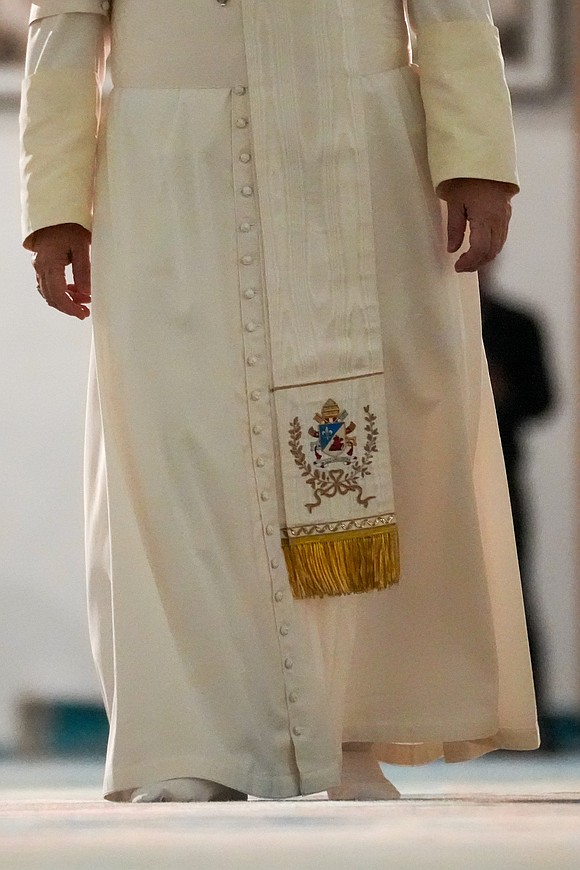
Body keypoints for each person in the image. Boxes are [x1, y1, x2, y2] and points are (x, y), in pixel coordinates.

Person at [19, 0, 539, 803]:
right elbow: (63, 23)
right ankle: (191, 742)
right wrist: (54, 203)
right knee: (177, 448)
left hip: (356, 148)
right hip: (167, 167)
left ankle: (350, 728)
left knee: (372, 443)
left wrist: (475, 153)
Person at [479, 266, 556, 733]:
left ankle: (531, 721)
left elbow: (544, 398)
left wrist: (500, 392)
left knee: (514, 589)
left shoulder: (516, 323)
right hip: (435, 469)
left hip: (504, 473)